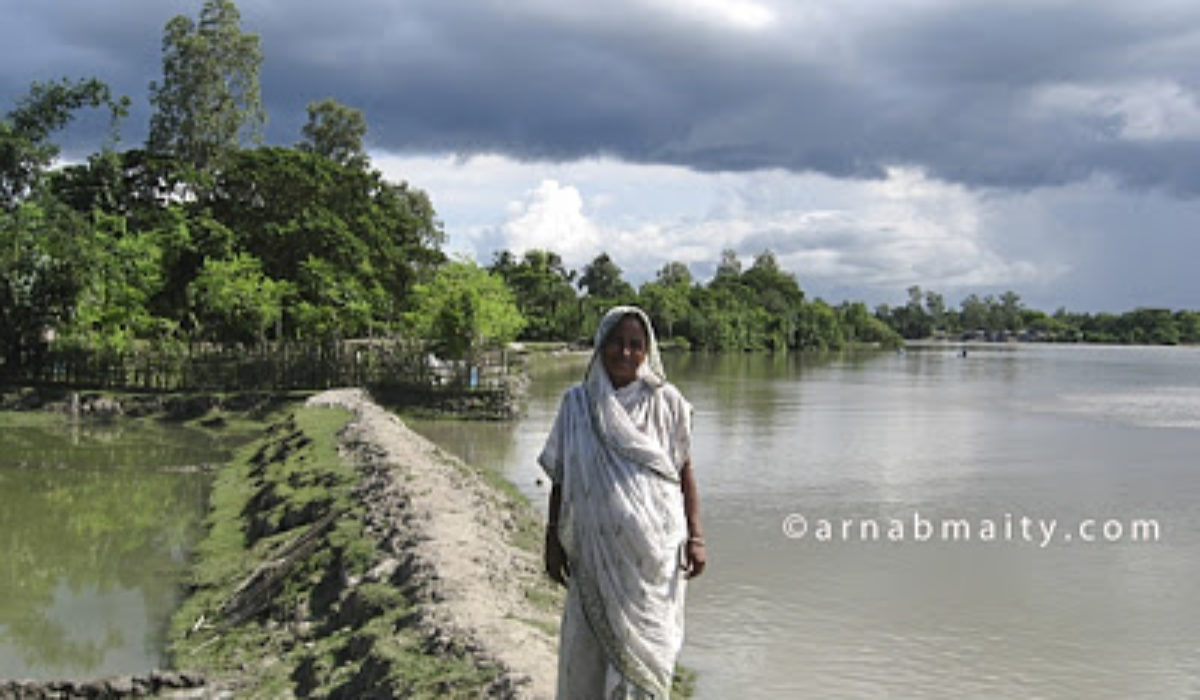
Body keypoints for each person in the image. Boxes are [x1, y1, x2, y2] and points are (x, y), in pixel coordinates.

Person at [539, 305, 706, 699]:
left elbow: (684, 471)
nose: (625, 353)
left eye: (636, 345)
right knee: (589, 652)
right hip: (592, 556)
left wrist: (696, 537)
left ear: (648, 351)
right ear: (600, 345)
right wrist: (551, 538)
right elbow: (562, 476)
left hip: (653, 560)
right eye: (616, 342)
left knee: (648, 659)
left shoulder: (668, 403)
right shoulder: (577, 404)